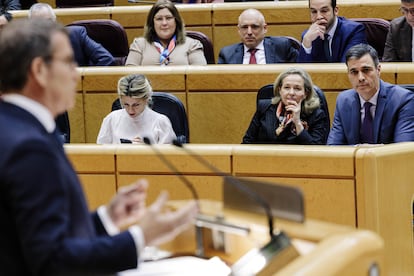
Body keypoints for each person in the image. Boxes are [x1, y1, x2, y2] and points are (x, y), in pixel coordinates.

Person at [0, 18, 198, 275]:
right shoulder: (29, 147)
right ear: (39, 70)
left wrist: (107, 219)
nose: (76, 73)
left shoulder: (14, 126)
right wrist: (139, 238)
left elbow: (34, 237)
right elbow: (52, 261)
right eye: (69, 62)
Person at [328, 44, 414, 145]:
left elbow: (402, 150)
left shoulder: (403, 100)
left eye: (366, 70)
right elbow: (333, 148)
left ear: (378, 70)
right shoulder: (343, 101)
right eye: (354, 72)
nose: (360, 78)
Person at [242, 67, 329, 144]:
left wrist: (298, 123)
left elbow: (317, 151)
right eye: (287, 87)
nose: (291, 93)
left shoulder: (316, 115)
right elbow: (247, 142)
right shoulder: (265, 107)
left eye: (297, 88)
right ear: (280, 90)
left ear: (306, 93)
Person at [97, 74, 176, 144]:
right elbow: (101, 156)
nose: (131, 111)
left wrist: (148, 151)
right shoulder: (111, 119)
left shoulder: (161, 122)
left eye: (136, 105)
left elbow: (171, 158)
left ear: (146, 99)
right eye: (126, 104)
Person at [28, 3, 115, 66]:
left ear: (55, 21)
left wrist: (86, 82)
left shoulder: (76, 35)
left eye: (48, 21)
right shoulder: (25, 45)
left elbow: (106, 58)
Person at [125, 0, 207, 66]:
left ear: (176, 21)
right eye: (159, 19)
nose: (164, 23)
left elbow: (201, 79)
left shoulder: (192, 45)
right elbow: (129, 78)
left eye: (168, 18)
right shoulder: (139, 45)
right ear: (152, 23)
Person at [218, 9, 298, 64]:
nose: (249, 32)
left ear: (265, 28)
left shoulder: (282, 47)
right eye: (245, 27)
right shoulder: (227, 54)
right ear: (239, 30)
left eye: (254, 27)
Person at [297, 0, 366, 63]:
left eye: (324, 11)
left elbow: (348, 67)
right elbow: (303, 73)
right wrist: (306, 42)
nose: (319, 17)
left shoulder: (354, 31)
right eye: (314, 12)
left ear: (335, 11)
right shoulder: (308, 36)